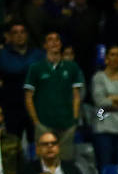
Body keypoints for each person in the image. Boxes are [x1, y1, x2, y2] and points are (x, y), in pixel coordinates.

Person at [24, 31, 84, 160]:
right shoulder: (35, 68)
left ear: (60, 44)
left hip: (67, 125)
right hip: (44, 124)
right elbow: (28, 97)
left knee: (66, 162)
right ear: (45, 45)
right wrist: (36, 122)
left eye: (57, 39)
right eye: (50, 40)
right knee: (44, 163)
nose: (54, 42)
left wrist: (74, 120)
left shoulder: (72, 67)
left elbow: (76, 96)